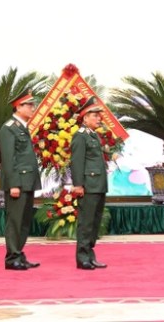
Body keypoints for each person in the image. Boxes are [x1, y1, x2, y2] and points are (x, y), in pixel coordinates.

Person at [0, 89, 42, 271]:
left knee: (24, 221)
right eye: (29, 105)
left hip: (28, 181)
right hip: (18, 182)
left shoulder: (22, 127)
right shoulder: (9, 128)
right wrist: (14, 184)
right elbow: (10, 159)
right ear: (18, 107)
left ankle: (19, 253)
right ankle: (12, 257)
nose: (33, 108)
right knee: (15, 221)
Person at [70, 97, 110, 270]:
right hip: (88, 185)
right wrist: (78, 184)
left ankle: (90, 255)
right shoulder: (80, 136)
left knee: (94, 223)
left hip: (98, 185)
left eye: (98, 116)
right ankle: (82, 257)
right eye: (94, 115)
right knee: (86, 223)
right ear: (85, 118)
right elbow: (77, 162)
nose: (98, 118)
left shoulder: (93, 135)